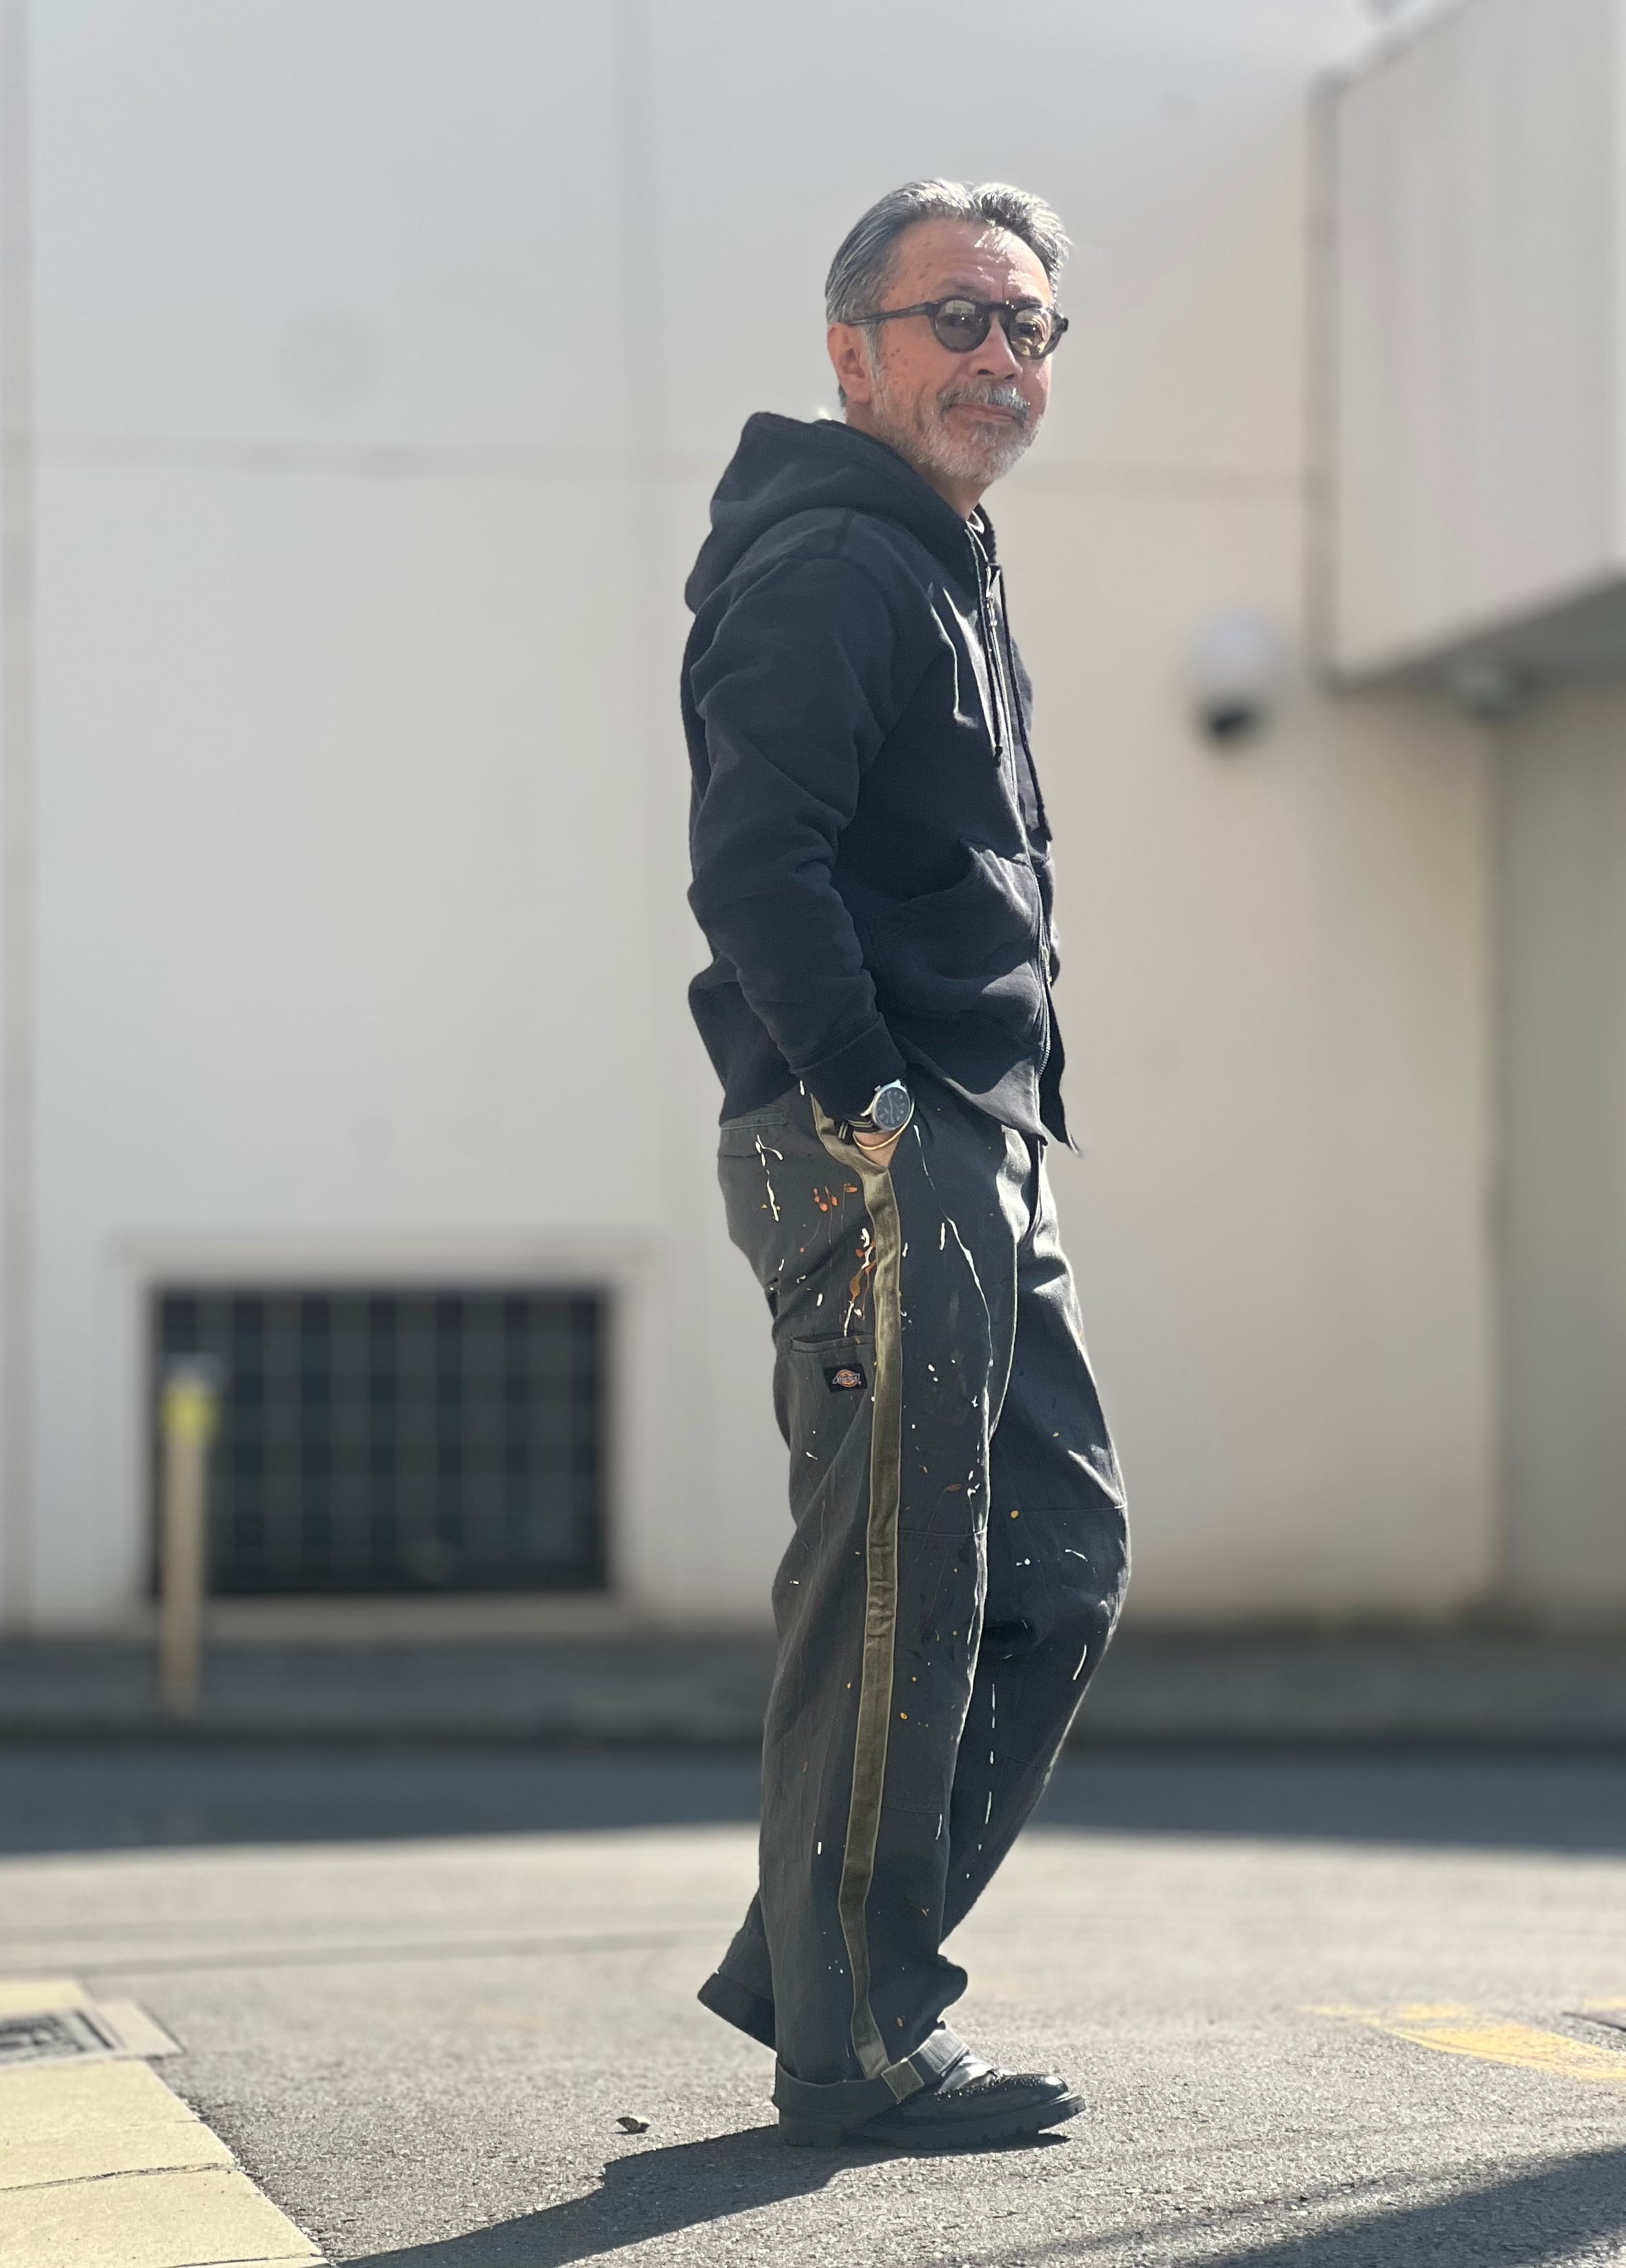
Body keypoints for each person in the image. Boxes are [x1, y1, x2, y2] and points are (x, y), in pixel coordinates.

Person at [682, 179, 1129, 2151]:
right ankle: (853, 2038)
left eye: (1029, 326)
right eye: (959, 318)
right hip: (884, 1132)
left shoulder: (942, 556)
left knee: (1058, 1560)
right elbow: (753, 866)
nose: (1000, 357)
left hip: (977, 1133)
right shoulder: (832, 563)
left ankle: (822, 1967)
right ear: (851, 350)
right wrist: (872, 1105)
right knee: (896, 1595)